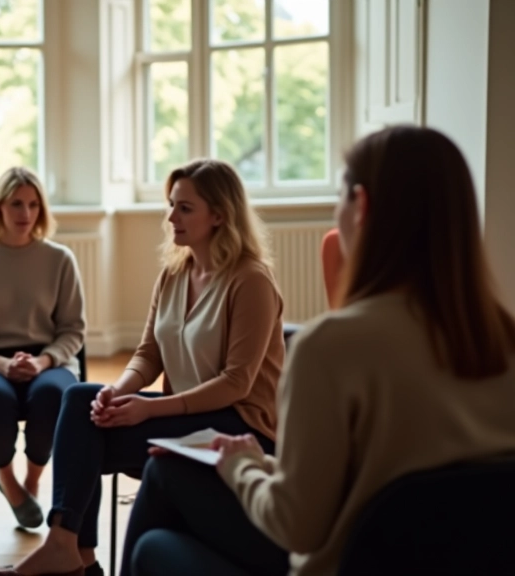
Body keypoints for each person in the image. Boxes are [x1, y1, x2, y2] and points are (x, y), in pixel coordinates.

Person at [124, 126, 515, 576]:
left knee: (154, 542)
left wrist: (242, 467)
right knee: (168, 479)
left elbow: (297, 527)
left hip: (345, 561)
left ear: (361, 206)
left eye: (340, 196)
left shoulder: (329, 347)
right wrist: (263, 460)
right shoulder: (500, 338)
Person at [0, 159, 284, 576]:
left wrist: (148, 409)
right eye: (171, 205)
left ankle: (70, 556)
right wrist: (120, 392)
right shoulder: (174, 273)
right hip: (184, 417)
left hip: (238, 428)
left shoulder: (251, 280)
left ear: (219, 215)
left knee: (84, 439)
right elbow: (149, 353)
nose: (170, 217)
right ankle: (75, 554)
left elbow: (236, 384)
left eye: (185, 208)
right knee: (83, 401)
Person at [0, 166, 86, 529]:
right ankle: (8, 481)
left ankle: (32, 481)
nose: (25, 214)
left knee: (52, 397)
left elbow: (73, 330)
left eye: (34, 205)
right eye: (16, 204)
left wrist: (43, 362)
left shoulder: (60, 259)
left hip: (48, 359)